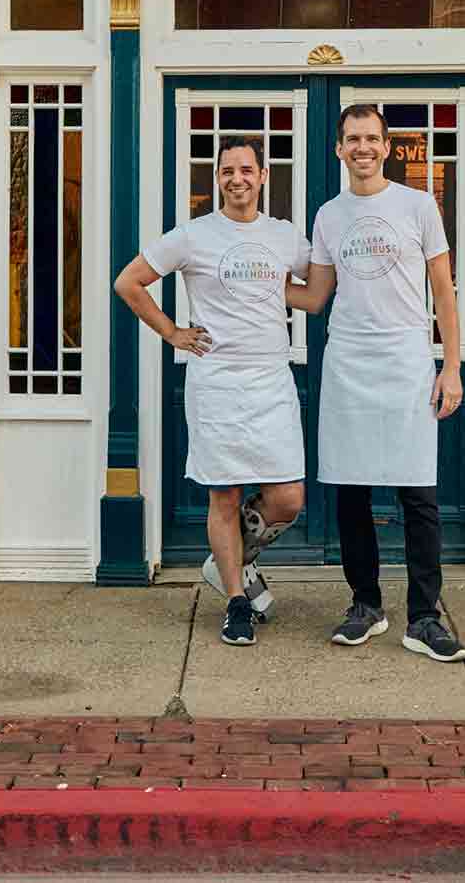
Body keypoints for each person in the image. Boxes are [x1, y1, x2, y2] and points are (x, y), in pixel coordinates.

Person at [113, 137, 307, 648]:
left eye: (246, 169)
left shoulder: (285, 237)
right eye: (227, 170)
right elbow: (129, 283)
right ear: (217, 178)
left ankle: (232, 562)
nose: (237, 178)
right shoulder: (194, 235)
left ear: (264, 176)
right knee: (224, 494)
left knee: (289, 498)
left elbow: (314, 292)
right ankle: (235, 602)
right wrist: (173, 332)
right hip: (216, 383)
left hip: (271, 380)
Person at [293, 103, 465, 664]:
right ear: (338, 149)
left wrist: (452, 365)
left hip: (406, 361)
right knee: (350, 491)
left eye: (372, 138)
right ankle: (365, 605)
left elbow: (443, 291)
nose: (362, 148)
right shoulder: (328, 215)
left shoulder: (417, 205)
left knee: (419, 494)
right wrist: (251, 282)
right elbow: (316, 297)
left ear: (387, 147)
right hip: (348, 362)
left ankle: (424, 617)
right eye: (352, 139)